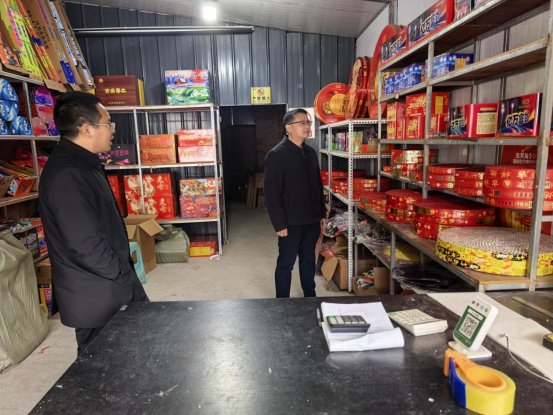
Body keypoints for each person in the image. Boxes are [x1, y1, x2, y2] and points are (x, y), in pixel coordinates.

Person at [39, 91, 149, 354]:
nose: (112, 130)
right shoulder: (67, 175)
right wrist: (120, 274)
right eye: (108, 123)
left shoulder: (83, 164)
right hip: (97, 296)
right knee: (100, 367)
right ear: (86, 129)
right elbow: (84, 244)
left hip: (109, 286)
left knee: (133, 353)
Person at [264, 108, 325, 298]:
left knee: (308, 261)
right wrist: (279, 224)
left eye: (308, 123)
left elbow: (318, 185)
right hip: (290, 223)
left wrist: (322, 213)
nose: (307, 126)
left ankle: (310, 296)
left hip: (312, 220)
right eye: (302, 123)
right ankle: (282, 301)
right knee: (286, 263)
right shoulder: (276, 155)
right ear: (288, 127)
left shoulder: (311, 152)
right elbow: (272, 194)